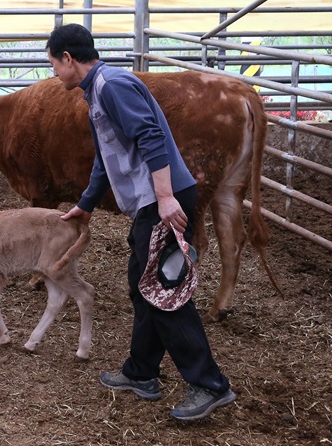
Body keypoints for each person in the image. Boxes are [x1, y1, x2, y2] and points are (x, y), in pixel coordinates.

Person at [47, 23, 236, 421]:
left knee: (163, 290)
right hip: (150, 201)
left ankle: (209, 384)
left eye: (53, 64)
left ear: (68, 58)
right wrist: (86, 204)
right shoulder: (98, 90)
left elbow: (150, 137)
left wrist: (166, 198)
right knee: (142, 285)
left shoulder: (112, 85)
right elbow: (105, 156)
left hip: (162, 197)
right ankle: (141, 372)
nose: (53, 74)